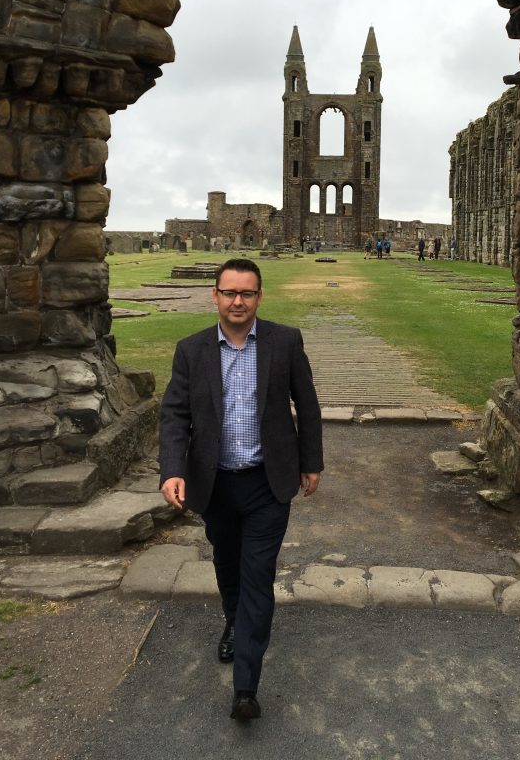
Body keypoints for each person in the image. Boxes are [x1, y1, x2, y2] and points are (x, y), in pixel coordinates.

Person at [159, 258, 323, 722]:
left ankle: (245, 687)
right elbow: (174, 415)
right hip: (215, 483)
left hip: (267, 483)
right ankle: (234, 621)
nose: (237, 301)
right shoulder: (191, 350)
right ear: (215, 295)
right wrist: (172, 470)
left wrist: (311, 462)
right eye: (229, 292)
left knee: (257, 576)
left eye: (246, 293)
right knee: (228, 566)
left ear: (259, 297)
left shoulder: (284, 341)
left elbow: (306, 404)